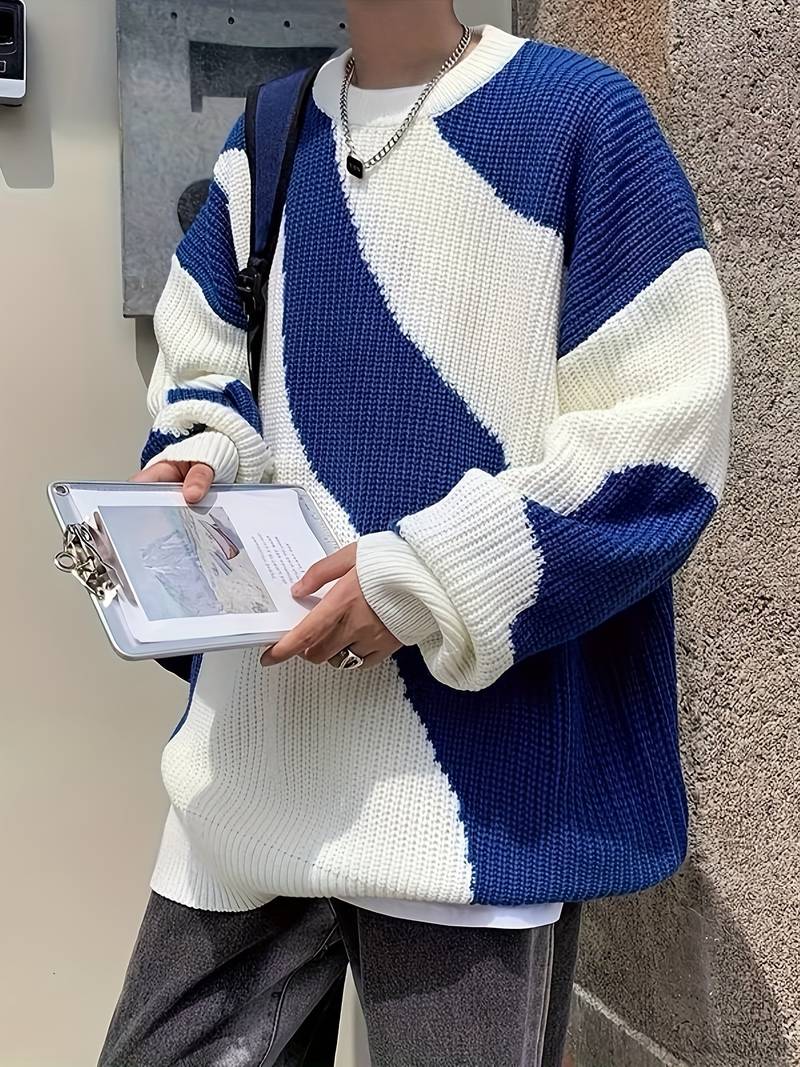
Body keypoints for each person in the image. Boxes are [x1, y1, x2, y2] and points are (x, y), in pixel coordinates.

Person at [99, 1, 732, 1064]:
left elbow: (661, 443)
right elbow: (203, 363)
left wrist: (425, 579)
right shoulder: (270, 130)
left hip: (476, 799)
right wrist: (199, 454)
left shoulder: (582, 118)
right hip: (255, 762)